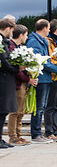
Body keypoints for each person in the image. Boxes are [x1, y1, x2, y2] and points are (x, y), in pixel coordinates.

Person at [26, 19, 57, 144]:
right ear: (43, 28)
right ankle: (36, 134)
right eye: (48, 28)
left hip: (46, 78)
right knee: (39, 107)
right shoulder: (34, 41)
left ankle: (38, 133)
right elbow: (40, 61)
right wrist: (56, 69)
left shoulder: (42, 41)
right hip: (41, 78)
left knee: (42, 107)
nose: (49, 30)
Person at [7, 24, 37, 146]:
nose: (27, 37)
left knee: (21, 111)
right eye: (26, 34)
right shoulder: (11, 47)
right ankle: (13, 136)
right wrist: (28, 78)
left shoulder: (20, 47)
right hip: (16, 83)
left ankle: (18, 135)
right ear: (20, 35)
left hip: (23, 83)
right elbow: (16, 69)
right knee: (15, 111)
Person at [0, 19, 20, 149]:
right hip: (3, 79)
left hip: (6, 79)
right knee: (1, 111)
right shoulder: (0, 40)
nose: (12, 34)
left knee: (3, 112)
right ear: (8, 28)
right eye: (12, 31)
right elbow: (4, 60)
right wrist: (17, 68)